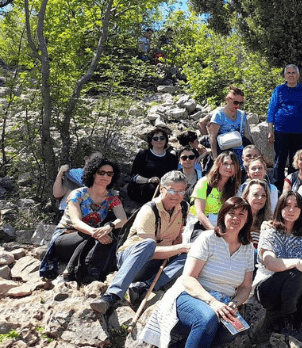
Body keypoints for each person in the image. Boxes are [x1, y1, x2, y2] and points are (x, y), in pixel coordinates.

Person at [139, 197, 255, 348]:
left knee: (232, 330)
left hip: (223, 301)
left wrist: (235, 303)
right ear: (223, 215)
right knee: (207, 318)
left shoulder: (247, 248)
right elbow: (188, 278)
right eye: (231, 213)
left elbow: (246, 287)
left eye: (241, 214)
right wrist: (212, 302)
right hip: (191, 296)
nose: (235, 218)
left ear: (247, 220)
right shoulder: (208, 238)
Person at [90, 171, 191, 313]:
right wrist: (181, 248)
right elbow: (150, 251)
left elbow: (177, 237)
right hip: (134, 258)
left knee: (192, 255)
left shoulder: (184, 207)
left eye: (181, 191)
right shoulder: (149, 211)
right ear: (162, 189)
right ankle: (112, 295)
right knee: (149, 244)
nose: (177, 195)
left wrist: (181, 250)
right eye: (172, 190)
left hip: (160, 259)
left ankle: (143, 287)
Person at [40, 155, 127, 284]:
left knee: (112, 236)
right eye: (101, 172)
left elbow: (123, 219)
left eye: (109, 174)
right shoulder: (78, 194)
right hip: (65, 237)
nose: (105, 176)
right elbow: (76, 222)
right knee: (93, 236)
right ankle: (68, 273)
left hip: (90, 238)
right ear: (93, 173)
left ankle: (93, 272)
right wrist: (95, 232)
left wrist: (110, 226)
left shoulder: (112, 198)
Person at [255, 191, 302, 341]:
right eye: (287, 205)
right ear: (279, 208)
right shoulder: (269, 232)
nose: (291, 210)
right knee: (296, 272)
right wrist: (296, 263)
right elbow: (270, 262)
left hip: (294, 292)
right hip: (268, 288)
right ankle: (286, 318)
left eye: (296, 206)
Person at [267, 64, 302, 188]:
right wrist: (270, 130)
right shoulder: (279, 90)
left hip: (300, 130)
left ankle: (294, 186)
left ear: (298, 76)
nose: (291, 75)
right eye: (289, 73)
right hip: (281, 130)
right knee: (280, 159)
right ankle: (277, 187)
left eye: (294, 73)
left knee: (296, 160)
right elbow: (271, 110)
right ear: (285, 75)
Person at [190, 152, 241, 240]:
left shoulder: (235, 188)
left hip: (221, 226)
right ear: (218, 165)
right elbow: (199, 213)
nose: (229, 167)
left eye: (232, 164)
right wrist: (213, 231)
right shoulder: (204, 182)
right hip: (200, 225)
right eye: (225, 163)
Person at [128, 126, 179, 204]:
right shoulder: (143, 155)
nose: (159, 140)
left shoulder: (172, 158)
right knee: (150, 188)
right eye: (155, 139)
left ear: (166, 140)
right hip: (143, 187)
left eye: (162, 138)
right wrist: (149, 180)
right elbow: (134, 176)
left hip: (164, 188)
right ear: (151, 142)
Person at [208, 86, 253, 162]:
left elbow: (247, 135)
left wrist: (253, 150)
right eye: (235, 103)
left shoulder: (242, 115)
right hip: (224, 152)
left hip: (240, 151)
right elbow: (213, 137)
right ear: (228, 100)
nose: (238, 106)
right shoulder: (219, 115)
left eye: (241, 103)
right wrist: (215, 156)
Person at [242, 179, 275, 247]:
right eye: (255, 194)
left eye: (263, 195)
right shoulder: (237, 217)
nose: (260, 198)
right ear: (246, 196)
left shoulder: (270, 221)